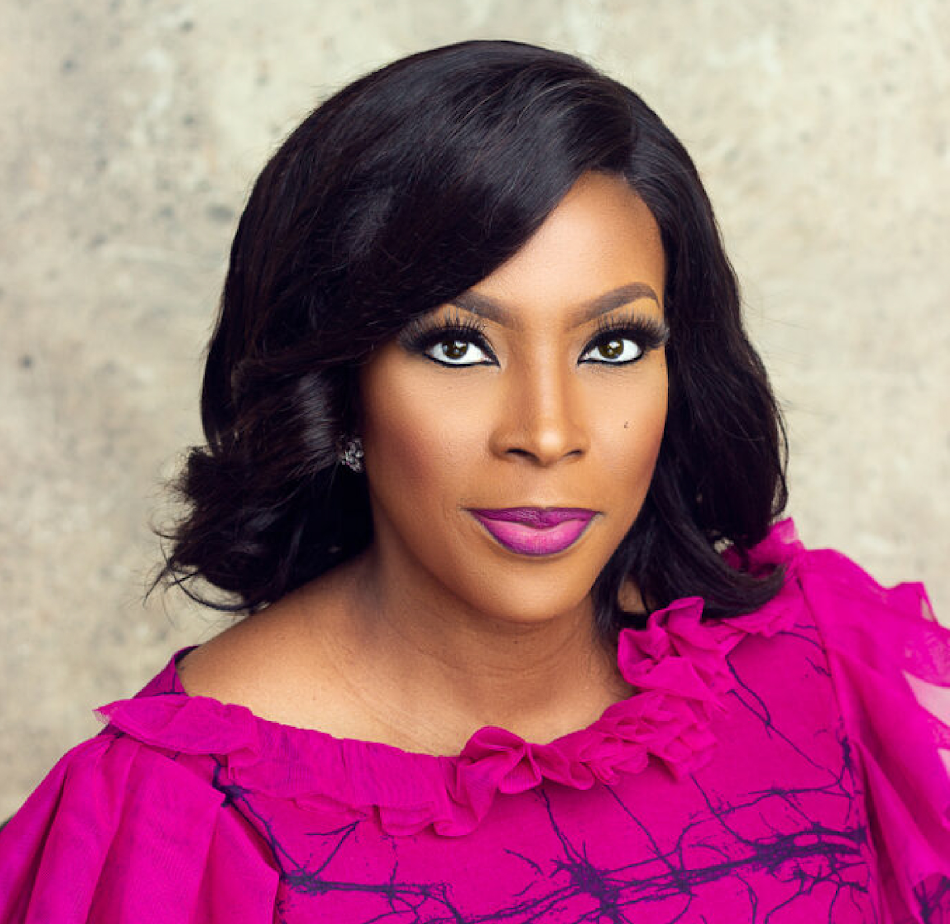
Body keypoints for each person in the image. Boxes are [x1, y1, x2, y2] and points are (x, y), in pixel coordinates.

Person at [1, 39, 948, 923]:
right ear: (339, 390)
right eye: (458, 347)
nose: (547, 432)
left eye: (615, 345)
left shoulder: (810, 668)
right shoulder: (178, 818)